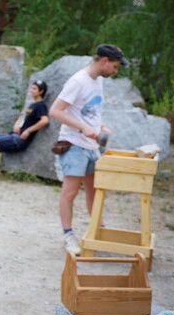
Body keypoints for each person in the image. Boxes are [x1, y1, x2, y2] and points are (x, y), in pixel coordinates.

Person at [49, 44, 128, 254]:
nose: (115, 71)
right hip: (74, 145)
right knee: (70, 192)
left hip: (92, 146)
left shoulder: (98, 80)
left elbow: (93, 110)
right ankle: (68, 235)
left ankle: (98, 231)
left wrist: (101, 126)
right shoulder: (77, 81)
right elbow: (55, 111)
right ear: (104, 61)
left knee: (95, 192)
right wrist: (82, 127)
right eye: (115, 66)